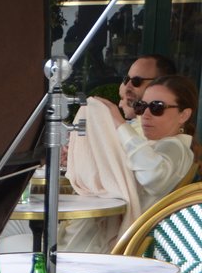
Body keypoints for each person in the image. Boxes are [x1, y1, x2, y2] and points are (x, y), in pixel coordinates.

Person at [60, 75, 199, 253]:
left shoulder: (175, 147)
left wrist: (118, 122)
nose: (146, 115)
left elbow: (151, 175)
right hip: (107, 236)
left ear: (184, 115)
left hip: (116, 246)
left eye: (157, 108)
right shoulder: (155, 146)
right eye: (141, 107)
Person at [117, 54, 176, 126]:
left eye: (136, 81)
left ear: (161, 84)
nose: (128, 87)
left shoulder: (164, 130)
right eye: (127, 79)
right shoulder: (131, 124)